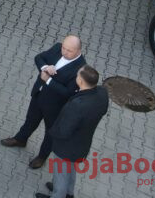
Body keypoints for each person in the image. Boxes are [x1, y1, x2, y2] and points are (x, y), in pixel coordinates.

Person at [1, 36, 86, 170]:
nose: (64, 52)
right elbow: (39, 58)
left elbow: (68, 92)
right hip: (39, 94)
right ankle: (20, 139)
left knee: (50, 133)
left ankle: (42, 156)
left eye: (69, 50)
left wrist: (48, 80)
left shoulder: (81, 68)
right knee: (30, 120)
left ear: (78, 51)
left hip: (55, 107)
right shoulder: (58, 48)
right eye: (64, 47)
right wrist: (45, 67)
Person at [35, 65, 109, 198]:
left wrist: (52, 133)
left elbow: (63, 131)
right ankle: (69, 194)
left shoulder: (77, 105)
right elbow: (103, 110)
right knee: (70, 170)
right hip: (82, 145)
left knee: (61, 175)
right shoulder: (102, 93)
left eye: (77, 76)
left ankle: (59, 193)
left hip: (66, 148)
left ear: (80, 81)